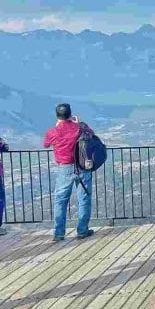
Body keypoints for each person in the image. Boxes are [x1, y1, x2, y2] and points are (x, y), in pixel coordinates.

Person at [43, 103, 94, 242]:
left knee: (60, 201)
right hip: (82, 166)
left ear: (57, 115)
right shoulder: (79, 127)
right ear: (70, 114)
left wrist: (58, 125)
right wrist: (78, 123)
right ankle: (82, 230)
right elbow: (91, 134)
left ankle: (59, 234)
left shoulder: (53, 131)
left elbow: (46, 144)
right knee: (84, 199)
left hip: (64, 168)